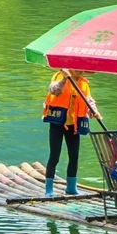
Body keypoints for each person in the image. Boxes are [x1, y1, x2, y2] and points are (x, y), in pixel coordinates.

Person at [41, 68, 97, 197]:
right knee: (54, 155)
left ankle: (71, 187)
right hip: (57, 123)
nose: (80, 71)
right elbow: (53, 90)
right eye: (77, 69)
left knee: (74, 156)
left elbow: (88, 99)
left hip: (74, 125)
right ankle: (49, 189)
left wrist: (94, 110)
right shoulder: (59, 76)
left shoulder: (83, 83)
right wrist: (65, 78)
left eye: (81, 69)